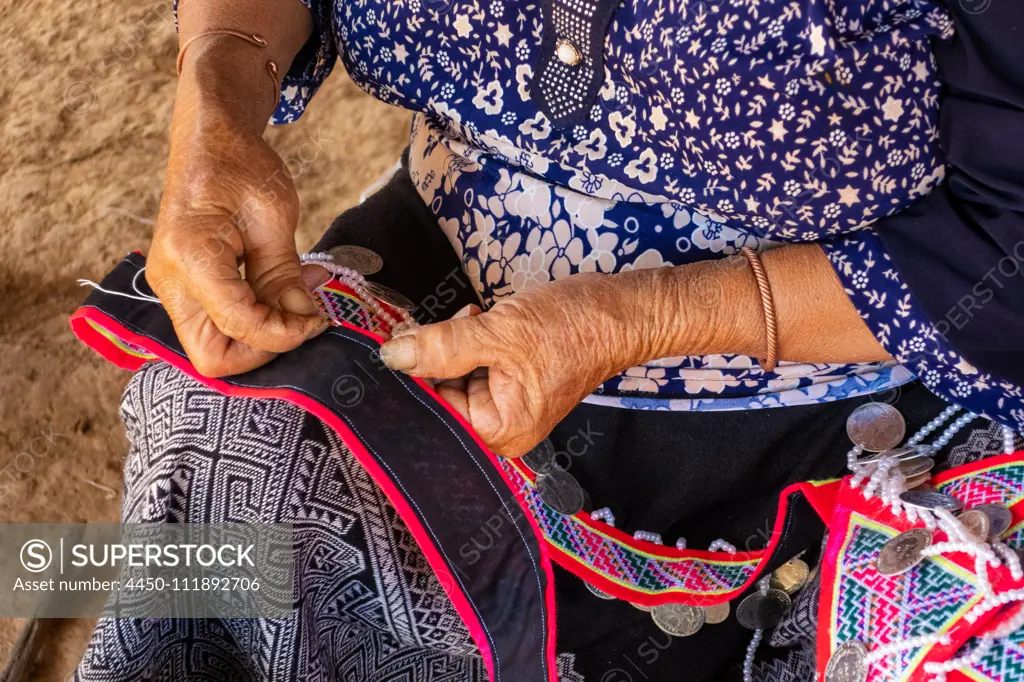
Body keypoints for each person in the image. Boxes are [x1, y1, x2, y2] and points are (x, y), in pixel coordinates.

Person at [74, 0, 1024, 679]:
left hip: (873, 358)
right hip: (449, 288)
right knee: (225, 444)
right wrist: (219, 91)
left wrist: (635, 318)